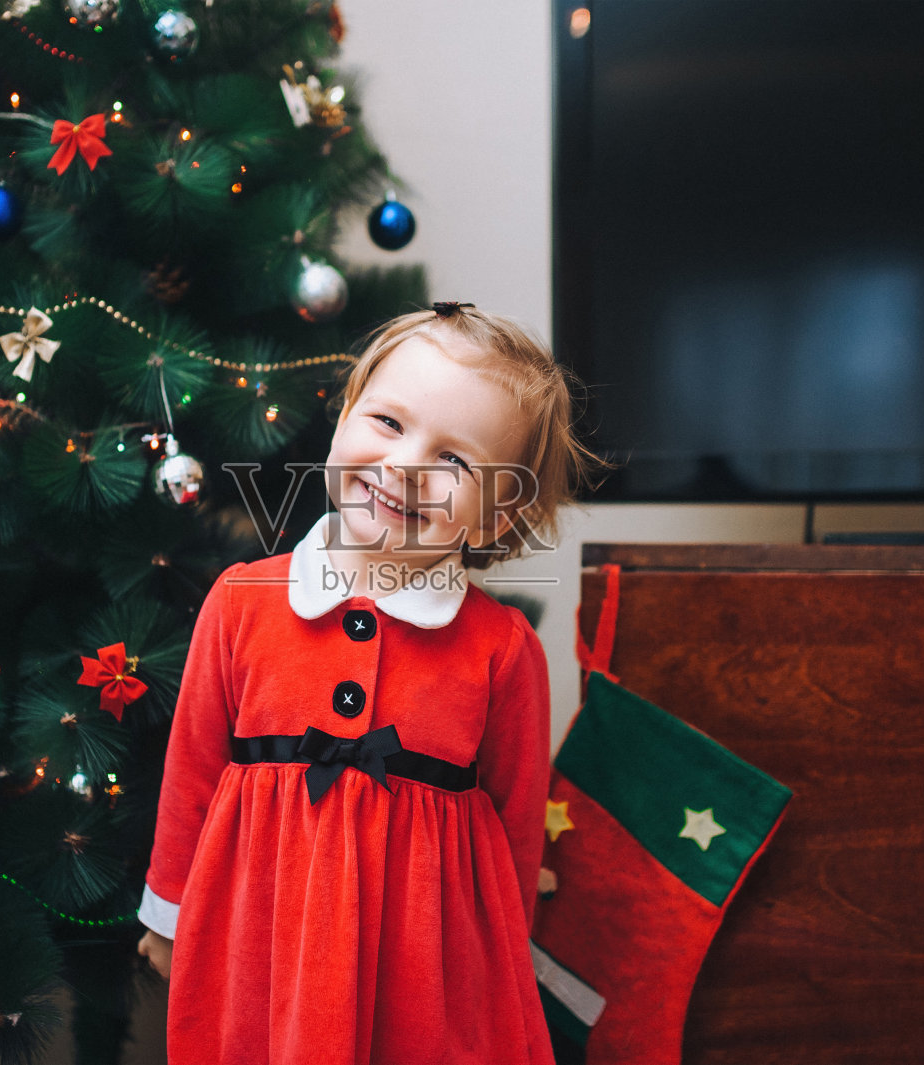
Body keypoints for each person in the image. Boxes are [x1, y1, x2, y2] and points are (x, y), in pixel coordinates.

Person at [136, 304, 600, 1064]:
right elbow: (191, 770)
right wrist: (168, 914)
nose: (406, 466)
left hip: (427, 962)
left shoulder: (501, 648)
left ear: (494, 513)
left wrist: (503, 948)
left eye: (455, 461)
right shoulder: (241, 600)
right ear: (345, 414)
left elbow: (517, 816)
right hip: (263, 939)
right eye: (387, 422)